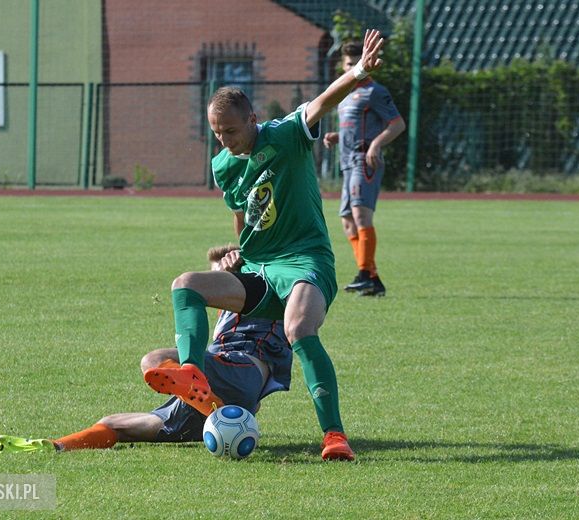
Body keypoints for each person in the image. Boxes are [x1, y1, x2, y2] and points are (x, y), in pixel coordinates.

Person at [142, 29, 387, 462]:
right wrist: (239, 252)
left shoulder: (285, 135)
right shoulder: (224, 164)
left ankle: (334, 436)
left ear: (253, 119)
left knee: (298, 330)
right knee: (186, 284)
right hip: (259, 268)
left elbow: (322, 101)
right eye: (217, 134)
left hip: (304, 262)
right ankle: (192, 370)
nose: (225, 141)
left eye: (232, 131)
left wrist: (360, 72)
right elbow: (243, 217)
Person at [0, 245, 292, 454]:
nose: (213, 284)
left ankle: (211, 402)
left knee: (155, 360)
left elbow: (259, 243)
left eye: (218, 274)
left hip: (239, 368)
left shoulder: (265, 294)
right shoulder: (223, 317)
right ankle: (55, 446)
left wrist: (239, 263)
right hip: (218, 389)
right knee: (115, 424)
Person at [323, 41, 406, 297]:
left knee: (360, 216)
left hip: (363, 160)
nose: (352, 67)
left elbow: (397, 124)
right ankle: (372, 277)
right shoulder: (345, 94)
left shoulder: (375, 92)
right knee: (347, 222)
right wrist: (338, 136)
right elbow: (356, 124)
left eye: (356, 62)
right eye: (348, 63)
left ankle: (364, 273)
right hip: (347, 163)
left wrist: (375, 146)